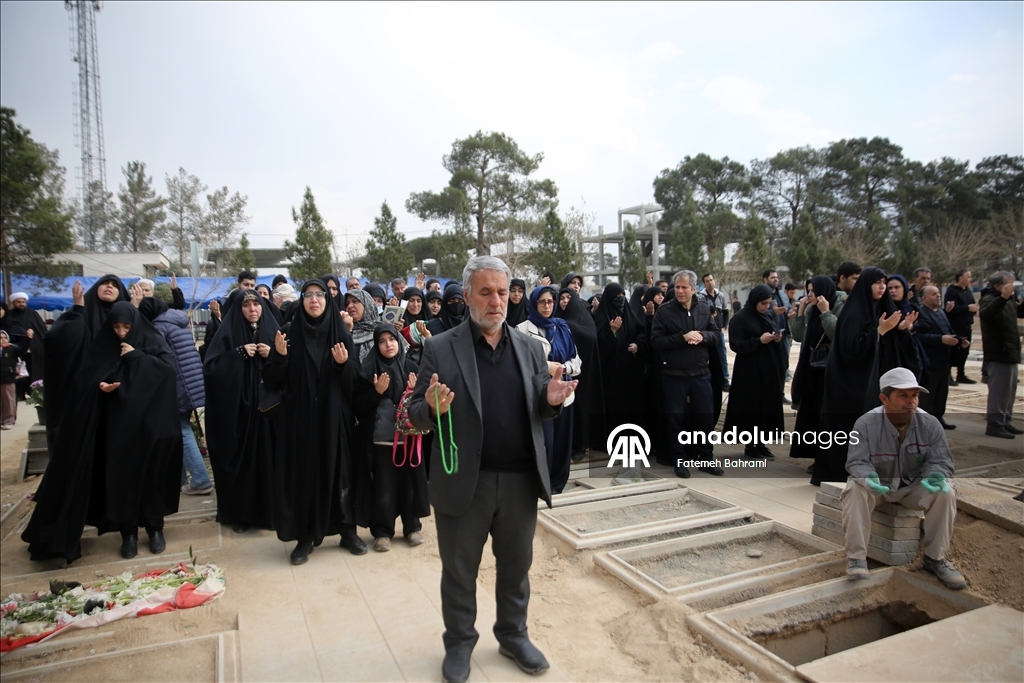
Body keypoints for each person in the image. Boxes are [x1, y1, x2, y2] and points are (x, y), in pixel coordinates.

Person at [407, 256, 577, 683]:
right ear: (467, 296)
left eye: (501, 292)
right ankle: (460, 643)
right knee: (460, 570)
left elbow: (538, 402)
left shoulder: (530, 347)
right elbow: (412, 415)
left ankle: (512, 634)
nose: (496, 300)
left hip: (519, 481)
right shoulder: (440, 347)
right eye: (485, 292)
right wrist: (430, 407)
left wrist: (551, 399)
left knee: (516, 568)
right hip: (465, 481)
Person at [23, 302, 181, 562]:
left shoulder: (150, 341)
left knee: (152, 477)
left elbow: (167, 371)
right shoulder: (103, 346)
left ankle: (155, 528)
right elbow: (86, 379)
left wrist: (137, 357)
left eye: (126, 326)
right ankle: (127, 532)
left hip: (152, 425)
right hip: (117, 428)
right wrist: (101, 386)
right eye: (116, 327)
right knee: (122, 480)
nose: (121, 332)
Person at [264, 279, 366, 564]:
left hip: (335, 419)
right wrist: (281, 358)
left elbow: (354, 384)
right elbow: (272, 380)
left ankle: (347, 530)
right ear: (302, 301)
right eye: (308, 295)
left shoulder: (340, 334)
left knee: (340, 472)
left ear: (327, 300)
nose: (314, 300)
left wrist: (344, 365)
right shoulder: (288, 335)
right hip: (300, 420)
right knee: (304, 474)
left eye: (319, 295)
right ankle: (305, 536)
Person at [842, 368, 965, 590]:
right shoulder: (865, 424)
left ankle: (934, 559)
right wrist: (867, 477)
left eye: (914, 395)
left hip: (912, 488)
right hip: (879, 487)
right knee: (855, 489)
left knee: (945, 491)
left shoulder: (930, 424)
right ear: (884, 398)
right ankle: (857, 558)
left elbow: (940, 461)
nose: (911, 402)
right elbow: (856, 462)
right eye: (903, 396)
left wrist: (936, 475)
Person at [819, 267, 920, 482]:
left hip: (878, 383)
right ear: (866, 285)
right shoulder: (853, 311)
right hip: (854, 385)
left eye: (884, 282)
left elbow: (893, 349)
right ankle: (844, 472)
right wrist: (878, 332)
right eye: (877, 283)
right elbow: (849, 349)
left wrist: (901, 331)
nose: (882, 287)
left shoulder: (884, 309)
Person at [203, 288, 280, 532]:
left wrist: (274, 354)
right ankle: (242, 515)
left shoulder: (274, 331)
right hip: (239, 415)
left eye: (256, 305)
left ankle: (270, 513)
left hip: (269, 414)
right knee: (243, 464)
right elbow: (211, 369)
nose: (252, 310)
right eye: (246, 306)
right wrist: (236, 355)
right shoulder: (227, 333)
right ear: (239, 309)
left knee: (270, 462)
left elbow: (291, 369)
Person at [354, 324, 429, 552]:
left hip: (409, 439)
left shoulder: (411, 367)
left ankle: (412, 527)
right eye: (382, 341)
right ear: (376, 346)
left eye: (392, 339)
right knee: (384, 488)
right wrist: (375, 392)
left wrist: (416, 392)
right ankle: (383, 531)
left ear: (399, 341)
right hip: (381, 440)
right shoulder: (369, 370)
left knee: (410, 485)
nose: (389, 345)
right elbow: (359, 408)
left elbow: (425, 405)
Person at [649, 270, 724, 478]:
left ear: (693, 289)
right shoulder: (664, 312)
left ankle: (706, 458)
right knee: (676, 419)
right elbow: (656, 341)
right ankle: (679, 460)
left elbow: (715, 334)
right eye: (678, 287)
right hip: (674, 375)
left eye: (684, 287)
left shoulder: (704, 309)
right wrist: (682, 337)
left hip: (701, 373)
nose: (680, 291)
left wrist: (702, 336)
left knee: (705, 418)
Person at [142, 286, 214, 498]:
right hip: (191, 381)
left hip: (178, 384)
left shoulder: (158, 327)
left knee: (181, 429)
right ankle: (181, 479)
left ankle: (201, 480)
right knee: (181, 429)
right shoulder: (176, 320)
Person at [43, 276, 129, 443]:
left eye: (114, 285)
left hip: (119, 387)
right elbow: (56, 340)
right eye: (105, 283)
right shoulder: (81, 311)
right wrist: (78, 311)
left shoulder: (128, 315)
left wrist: (135, 307)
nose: (109, 287)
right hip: (86, 389)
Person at [517, 285, 582, 494]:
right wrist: (547, 367)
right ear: (534, 303)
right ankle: (540, 484)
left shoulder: (562, 327)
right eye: (542, 302)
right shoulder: (523, 329)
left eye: (551, 302)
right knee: (545, 442)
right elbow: (520, 362)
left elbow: (577, 361)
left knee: (563, 443)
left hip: (565, 392)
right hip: (540, 395)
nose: (547, 306)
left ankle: (557, 485)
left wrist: (564, 368)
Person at [724, 285, 785, 459]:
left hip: (767, 369)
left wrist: (775, 338)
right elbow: (736, 344)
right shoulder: (741, 318)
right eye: (763, 303)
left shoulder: (765, 316)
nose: (766, 307)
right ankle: (750, 445)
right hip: (749, 371)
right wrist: (759, 340)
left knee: (766, 406)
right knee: (751, 407)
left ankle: (761, 443)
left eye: (768, 303)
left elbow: (769, 334)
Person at [789, 276, 839, 472]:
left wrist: (826, 312)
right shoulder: (810, 309)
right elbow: (799, 336)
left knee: (824, 415)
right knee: (810, 413)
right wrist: (801, 312)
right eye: (808, 291)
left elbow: (838, 333)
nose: (809, 294)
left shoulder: (837, 307)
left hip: (829, 370)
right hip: (811, 369)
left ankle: (824, 457)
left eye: (812, 291)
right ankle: (814, 455)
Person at [555, 274, 605, 461]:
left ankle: (580, 445)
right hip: (560, 373)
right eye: (563, 297)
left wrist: (568, 326)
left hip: (583, 375)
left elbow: (590, 338)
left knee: (580, 409)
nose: (566, 300)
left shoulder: (583, 318)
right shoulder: (555, 319)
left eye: (569, 297)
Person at [594, 282, 647, 444]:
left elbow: (642, 332)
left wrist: (638, 345)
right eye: (617, 296)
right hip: (611, 371)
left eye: (623, 295)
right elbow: (598, 343)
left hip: (630, 369)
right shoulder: (602, 316)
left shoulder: (629, 314)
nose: (621, 299)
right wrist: (612, 332)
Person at [979, 271, 1023, 439]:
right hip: (998, 353)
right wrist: (1003, 298)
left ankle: (1005, 421)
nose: (1012, 287)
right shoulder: (990, 299)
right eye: (1008, 284)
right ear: (997, 286)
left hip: (1011, 351)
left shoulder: (1009, 300)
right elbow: (986, 314)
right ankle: (995, 424)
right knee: (999, 391)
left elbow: (1019, 312)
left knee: (1009, 391)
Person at [915, 285, 961, 430]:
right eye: (933, 294)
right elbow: (919, 336)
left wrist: (959, 339)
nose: (938, 296)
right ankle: (926, 423)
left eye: (938, 293)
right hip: (930, 360)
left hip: (944, 360)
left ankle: (938, 418)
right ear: (924, 298)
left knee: (942, 392)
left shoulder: (941, 312)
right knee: (929, 394)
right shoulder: (921, 313)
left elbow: (948, 330)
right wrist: (940, 339)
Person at [4, 292, 47, 399]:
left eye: (23, 302)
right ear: (14, 303)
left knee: (34, 370)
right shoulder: (9, 315)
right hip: (16, 350)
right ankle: (19, 394)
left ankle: (34, 392)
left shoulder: (33, 314)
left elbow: (41, 330)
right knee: (18, 372)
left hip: (33, 349)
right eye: (19, 302)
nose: (21, 304)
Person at [943, 270, 978, 385]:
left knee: (964, 351)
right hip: (955, 326)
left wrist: (974, 310)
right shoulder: (952, 292)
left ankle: (961, 374)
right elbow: (951, 309)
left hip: (967, 325)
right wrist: (967, 308)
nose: (971, 279)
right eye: (968, 277)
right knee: (952, 351)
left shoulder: (968, 291)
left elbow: (972, 304)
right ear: (961, 278)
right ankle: (948, 375)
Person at [763, 269, 792, 402]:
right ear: (765, 279)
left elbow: (786, 310)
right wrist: (773, 312)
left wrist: (790, 314)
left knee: (783, 365)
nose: (776, 279)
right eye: (773, 277)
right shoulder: (761, 295)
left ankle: (780, 394)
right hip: (769, 335)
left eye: (777, 277)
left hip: (783, 335)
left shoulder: (782, 294)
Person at [699, 274, 730, 390]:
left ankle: (725, 381)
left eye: (711, 280)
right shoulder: (701, 296)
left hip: (719, 332)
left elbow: (726, 312)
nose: (710, 283)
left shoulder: (720, 295)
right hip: (707, 333)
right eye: (707, 281)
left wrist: (724, 326)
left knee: (722, 356)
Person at [1, 325, 30, 429]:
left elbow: (23, 350)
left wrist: (28, 339)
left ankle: (8, 420)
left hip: (7, 378)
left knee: (9, 400)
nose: (3, 340)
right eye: (0, 338)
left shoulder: (12, 349)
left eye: (4, 337)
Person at [344, 288, 383, 364]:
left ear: (367, 304)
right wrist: (346, 331)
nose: (350, 306)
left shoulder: (384, 328)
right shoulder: (344, 331)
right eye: (347, 303)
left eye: (355, 301)